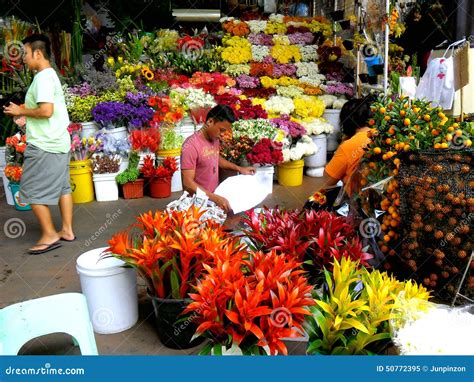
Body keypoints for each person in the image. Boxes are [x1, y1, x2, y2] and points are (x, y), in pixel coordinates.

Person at [4, 34, 74, 255]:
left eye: (25, 53)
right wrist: (24, 110)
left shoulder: (43, 77)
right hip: (59, 141)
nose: (23, 58)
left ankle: (50, 234)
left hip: (45, 145)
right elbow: (44, 106)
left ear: (37, 53)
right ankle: (67, 230)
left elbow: (46, 111)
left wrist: (21, 110)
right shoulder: (49, 75)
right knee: (63, 187)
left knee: (30, 189)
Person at [181, 105, 256, 212]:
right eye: (221, 130)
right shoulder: (190, 146)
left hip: (212, 200)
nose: (222, 135)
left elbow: (215, 158)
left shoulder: (214, 138)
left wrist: (239, 169)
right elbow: (188, 183)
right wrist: (214, 198)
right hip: (196, 206)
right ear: (210, 122)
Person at [305, 97, 373, 209]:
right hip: (383, 200)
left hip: (356, 202)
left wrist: (342, 144)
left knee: (314, 200)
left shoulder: (349, 145)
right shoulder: (381, 136)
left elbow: (328, 180)